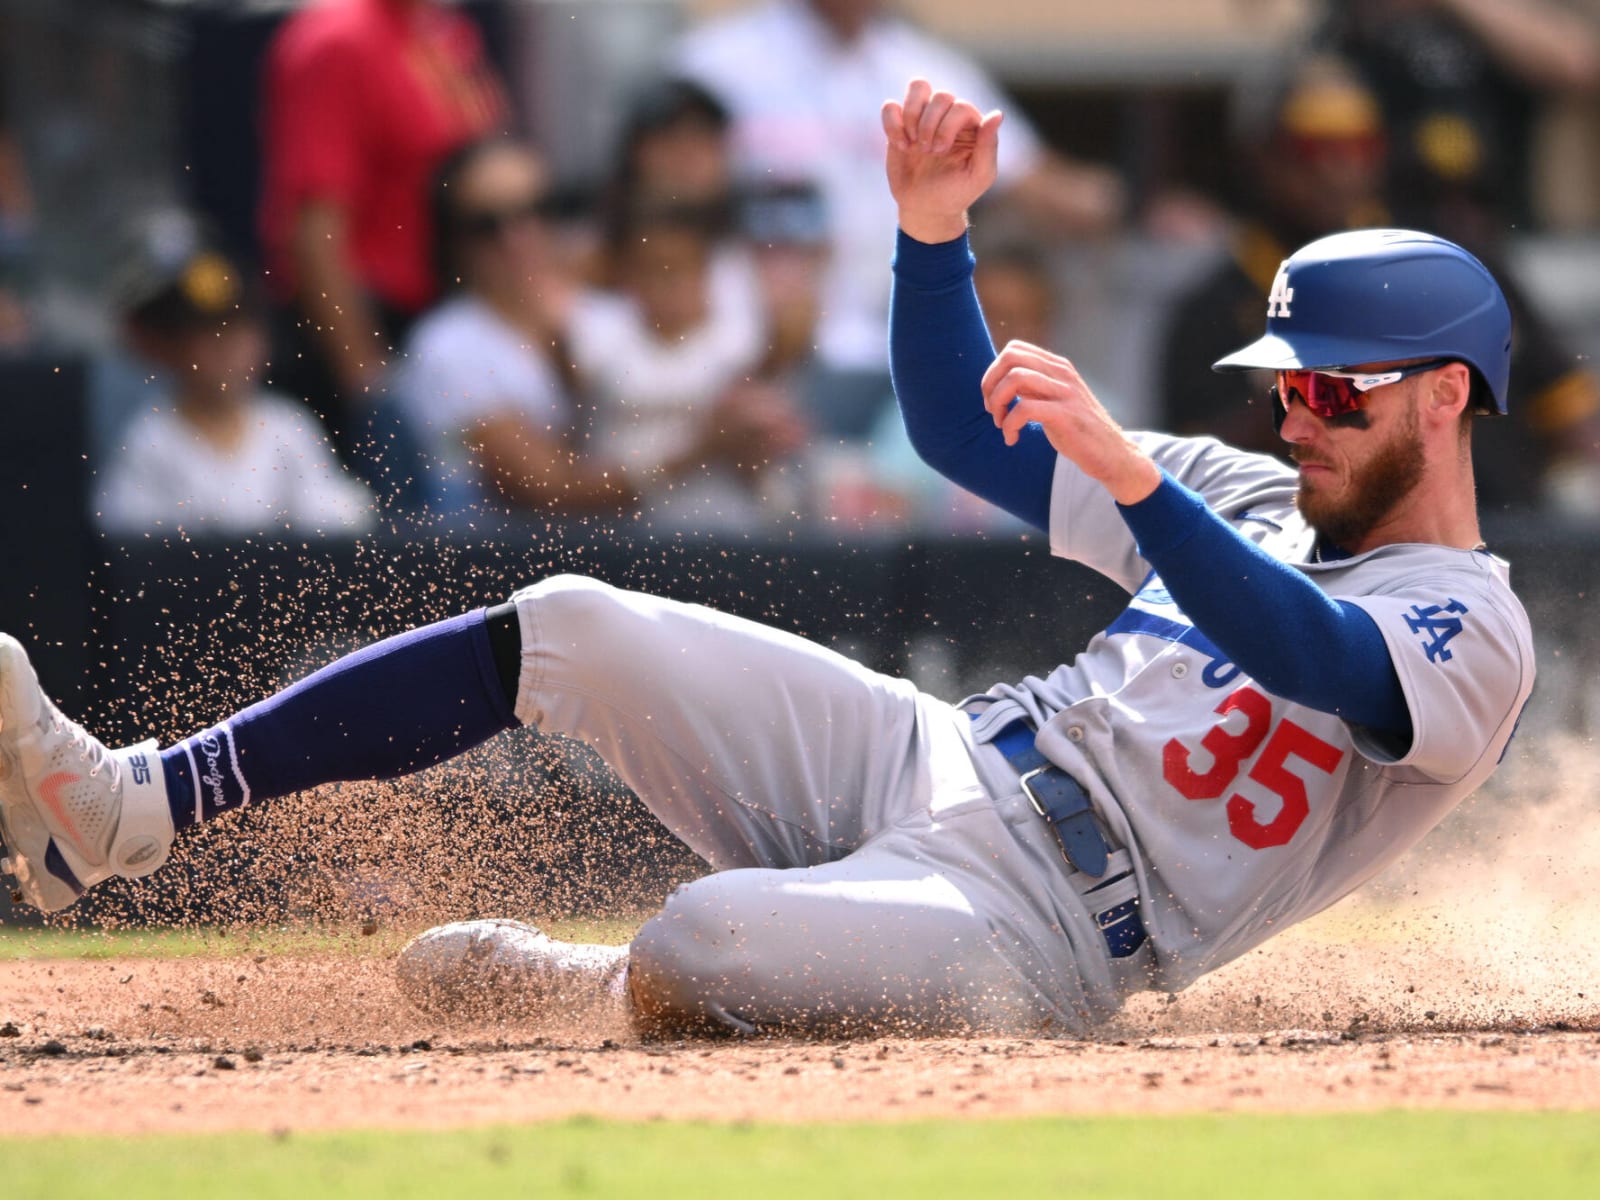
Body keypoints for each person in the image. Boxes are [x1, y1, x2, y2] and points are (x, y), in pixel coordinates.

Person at [0, 80, 1534, 1039]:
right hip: (945, 759)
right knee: (576, 621)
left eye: (1336, 387)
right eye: (1288, 382)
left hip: (1059, 933)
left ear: (1448, 397)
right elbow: (955, 430)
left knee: (702, 938)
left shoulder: (1473, 627)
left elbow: (1318, 657)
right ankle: (126, 809)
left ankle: (589, 985)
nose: (1297, 411)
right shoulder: (1235, 487)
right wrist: (933, 240)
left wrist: (1137, 480)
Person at [671, 0, 1123, 441]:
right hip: (766, 355)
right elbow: (658, 212)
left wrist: (1118, 199)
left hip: (911, 351)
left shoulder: (926, 67)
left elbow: (1050, 186)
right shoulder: (714, 63)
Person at [257, 0, 508, 488]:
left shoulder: (442, 34)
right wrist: (367, 382)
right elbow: (313, 232)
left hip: (432, 332)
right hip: (357, 339)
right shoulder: (334, 39)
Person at [96, 211, 375, 537]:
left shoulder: (288, 426)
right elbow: (127, 539)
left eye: (238, 332)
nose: (226, 350)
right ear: (172, 348)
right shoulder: (150, 438)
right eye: (208, 336)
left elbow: (339, 517)